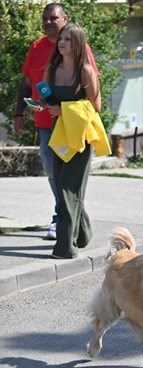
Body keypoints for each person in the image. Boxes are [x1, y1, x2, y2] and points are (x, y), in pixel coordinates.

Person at [13, 3, 98, 240]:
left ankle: (61, 220)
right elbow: (27, 83)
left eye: (54, 18)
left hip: (74, 127)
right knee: (53, 175)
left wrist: (69, 110)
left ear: (65, 19)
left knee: (69, 181)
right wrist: (19, 113)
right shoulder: (37, 47)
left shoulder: (80, 47)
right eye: (46, 18)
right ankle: (70, 219)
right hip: (46, 124)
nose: (49, 22)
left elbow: (93, 93)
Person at [44, 23, 103, 259]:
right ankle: (83, 233)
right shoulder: (53, 68)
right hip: (59, 136)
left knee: (69, 190)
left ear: (77, 43)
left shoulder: (86, 71)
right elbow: (51, 100)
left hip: (80, 138)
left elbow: (95, 107)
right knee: (64, 189)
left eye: (68, 39)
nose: (62, 42)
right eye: (61, 38)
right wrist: (45, 106)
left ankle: (65, 248)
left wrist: (63, 110)